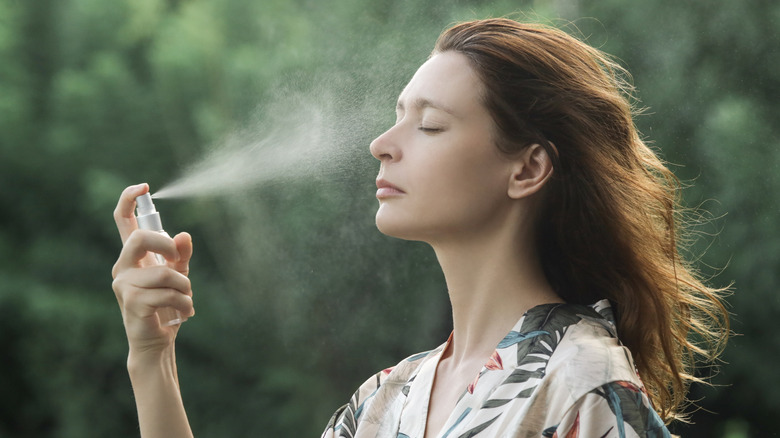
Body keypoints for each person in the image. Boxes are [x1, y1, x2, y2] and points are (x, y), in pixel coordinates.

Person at [111, 18, 729, 438]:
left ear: (528, 167)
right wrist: (152, 359)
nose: (382, 145)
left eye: (429, 126)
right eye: (395, 119)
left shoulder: (585, 388)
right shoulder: (385, 398)